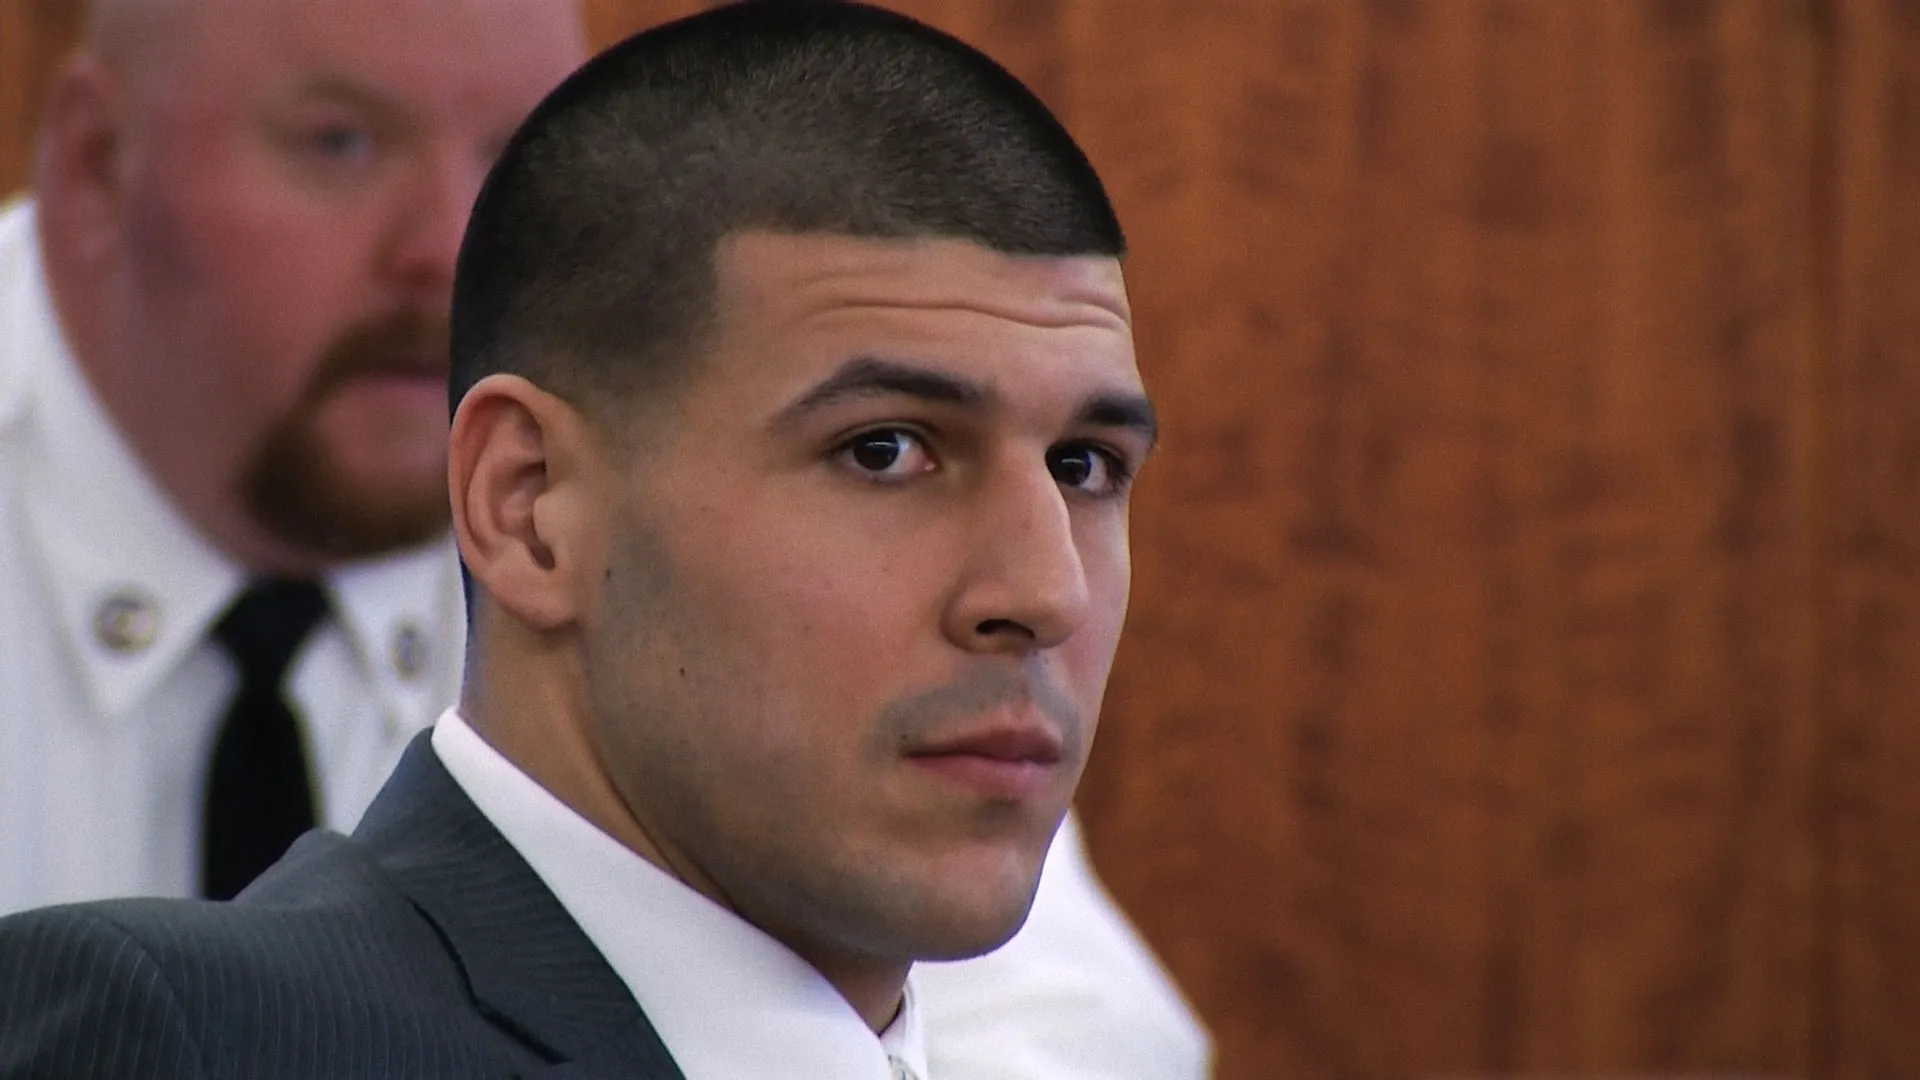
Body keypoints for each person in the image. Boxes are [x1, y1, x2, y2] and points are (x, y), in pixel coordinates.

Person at [0, 0, 1210, 1074]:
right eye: (883, 449)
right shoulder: (181, 1028)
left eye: (1084, 466)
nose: (1047, 589)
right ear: (527, 507)